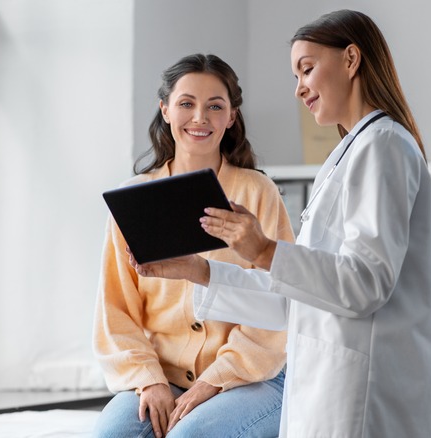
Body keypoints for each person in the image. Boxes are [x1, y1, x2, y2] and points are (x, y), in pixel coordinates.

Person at [130, 10, 431, 438]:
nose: (299, 89)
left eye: (307, 69)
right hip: (328, 387)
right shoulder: (348, 155)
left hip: (365, 398)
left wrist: (263, 250)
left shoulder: (384, 146)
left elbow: (365, 284)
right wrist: (196, 271)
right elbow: (295, 302)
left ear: (351, 60)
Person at [93, 53, 294, 438]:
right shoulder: (132, 200)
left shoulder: (257, 193)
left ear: (231, 116)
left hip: (253, 376)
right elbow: (115, 311)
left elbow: (278, 304)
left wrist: (212, 381)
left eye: (214, 106)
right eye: (186, 103)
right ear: (165, 109)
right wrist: (149, 380)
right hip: (161, 375)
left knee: (190, 435)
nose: (199, 117)